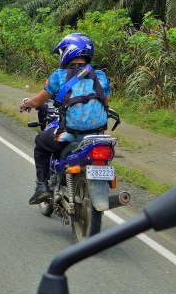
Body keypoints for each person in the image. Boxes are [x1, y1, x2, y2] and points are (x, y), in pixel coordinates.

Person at [19, 33, 110, 205]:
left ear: (68, 52)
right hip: (97, 136)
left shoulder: (60, 75)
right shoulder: (100, 76)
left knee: (40, 142)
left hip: (70, 134)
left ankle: (42, 187)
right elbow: (105, 102)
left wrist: (26, 103)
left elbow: (39, 101)